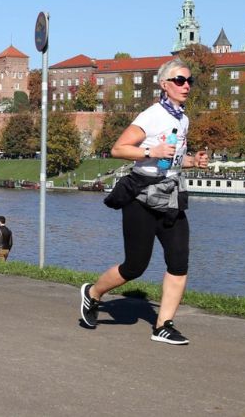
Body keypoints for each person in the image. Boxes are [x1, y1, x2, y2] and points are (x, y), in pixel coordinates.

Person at [79, 58, 209, 345]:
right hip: (141, 197)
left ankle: (163, 325)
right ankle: (93, 294)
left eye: (189, 81)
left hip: (171, 194)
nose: (186, 85)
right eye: (179, 80)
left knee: (179, 261)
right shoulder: (151, 116)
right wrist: (152, 149)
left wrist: (192, 161)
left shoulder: (182, 118)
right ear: (164, 85)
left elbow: (171, 159)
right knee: (135, 266)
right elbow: (118, 148)